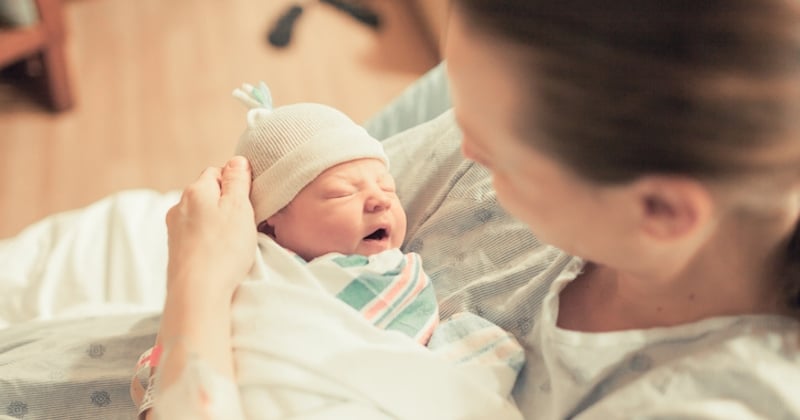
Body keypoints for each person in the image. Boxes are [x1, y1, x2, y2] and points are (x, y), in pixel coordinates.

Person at [154, 0, 800, 418]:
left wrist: (198, 285)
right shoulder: (526, 126)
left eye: (494, 153)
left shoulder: (704, 401)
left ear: (659, 210)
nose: (462, 149)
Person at [132, 83, 524, 419]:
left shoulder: (390, 275)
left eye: (388, 188)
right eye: (342, 193)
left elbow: (399, 352)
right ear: (269, 224)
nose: (379, 201)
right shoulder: (259, 269)